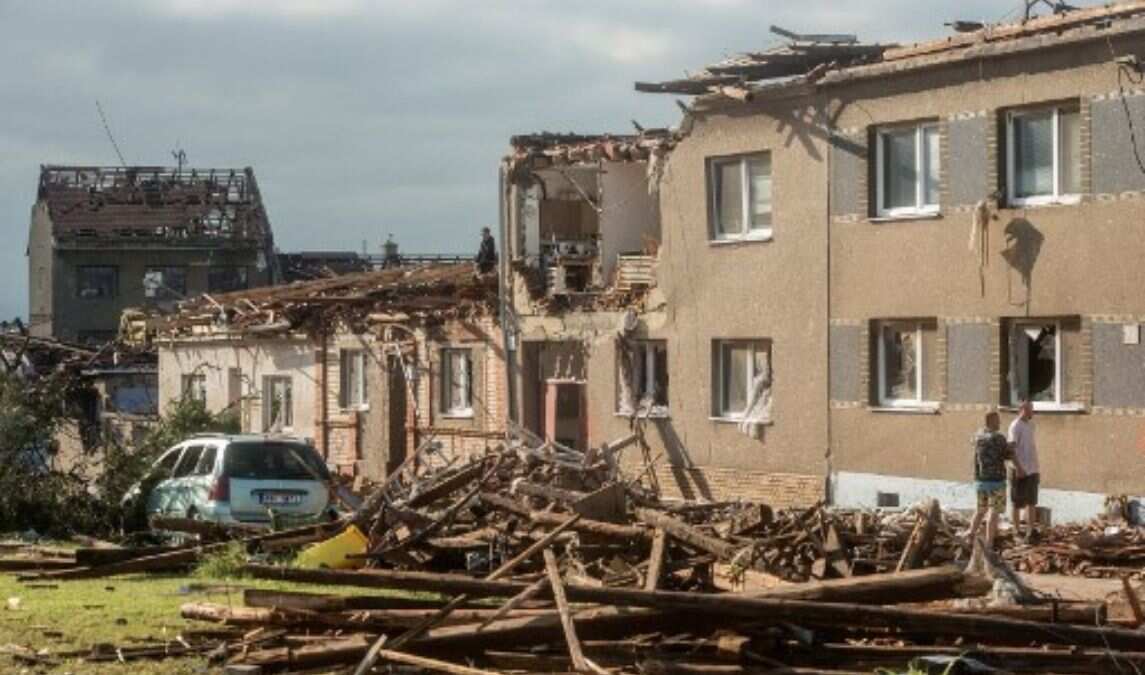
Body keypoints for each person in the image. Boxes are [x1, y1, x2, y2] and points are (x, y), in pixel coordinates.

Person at [968, 411, 1011, 550]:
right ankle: (989, 543)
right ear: (991, 421)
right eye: (997, 420)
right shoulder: (999, 438)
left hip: (981, 481)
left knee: (980, 509)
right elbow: (1007, 454)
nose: (1000, 423)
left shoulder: (977, 436)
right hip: (996, 481)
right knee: (994, 511)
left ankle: (971, 533)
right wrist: (1012, 447)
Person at [1008, 401, 1041, 542]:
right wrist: (1019, 468)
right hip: (1019, 470)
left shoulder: (1030, 425)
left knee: (1032, 501)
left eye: (1032, 409)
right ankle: (1016, 531)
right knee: (1017, 502)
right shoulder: (1015, 426)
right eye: (1030, 409)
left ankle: (1030, 531)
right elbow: (1010, 450)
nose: (1032, 412)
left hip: (1032, 469)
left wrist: (1036, 468)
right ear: (1022, 409)